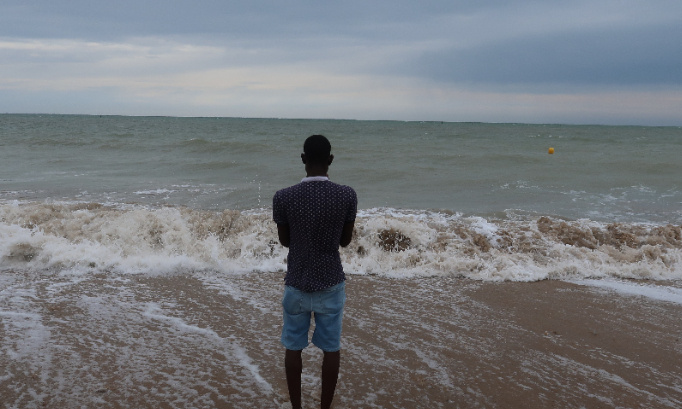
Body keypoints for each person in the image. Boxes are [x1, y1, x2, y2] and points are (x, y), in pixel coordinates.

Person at [272, 135, 357, 409]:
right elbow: (345, 241)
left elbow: (286, 241)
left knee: (293, 347)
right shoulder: (346, 195)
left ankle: (296, 406)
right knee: (331, 349)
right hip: (330, 282)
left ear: (303, 159)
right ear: (330, 159)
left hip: (297, 282)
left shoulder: (283, 197)